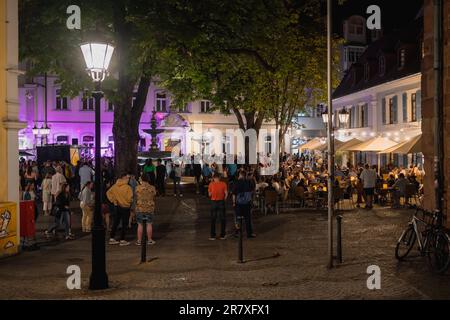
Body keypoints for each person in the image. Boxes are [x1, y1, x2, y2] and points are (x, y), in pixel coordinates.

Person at [107, 173, 133, 246]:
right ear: (124, 178)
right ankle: (122, 239)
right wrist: (128, 202)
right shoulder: (128, 187)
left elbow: (108, 193)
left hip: (117, 206)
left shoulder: (115, 186)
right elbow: (130, 198)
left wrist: (114, 200)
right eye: (128, 178)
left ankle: (112, 237)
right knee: (124, 224)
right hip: (125, 207)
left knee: (116, 222)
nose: (128, 179)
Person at [232, 170, 256, 238]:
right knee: (248, 219)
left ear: (240, 175)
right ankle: (249, 233)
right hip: (247, 203)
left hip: (238, 203)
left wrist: (233, 202)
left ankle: (237, 233)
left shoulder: (236, 182)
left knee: (237, 218)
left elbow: (233, 194)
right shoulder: (248, 182)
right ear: (245, 175)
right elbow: (252, 191)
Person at [135, 174, 157, 246]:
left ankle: (139, 240)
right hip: (149, 208)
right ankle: (150, 240)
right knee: (149, 224)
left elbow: (135, 196)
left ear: (141, 179)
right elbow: (154, 196)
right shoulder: (152, 188)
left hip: (140, 207)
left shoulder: (137, 188)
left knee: (140, 224)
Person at [208, 172, 228, 240]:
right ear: (219, 178)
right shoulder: (223, 184)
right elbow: (226, 193)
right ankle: (222, 235)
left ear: (214, 178)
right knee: (222, 218)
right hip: (221, 201)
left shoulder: (211, 184)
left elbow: (209, 194)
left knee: (213, 219)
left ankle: (212, 235)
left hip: (213, 202)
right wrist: (224, 199)